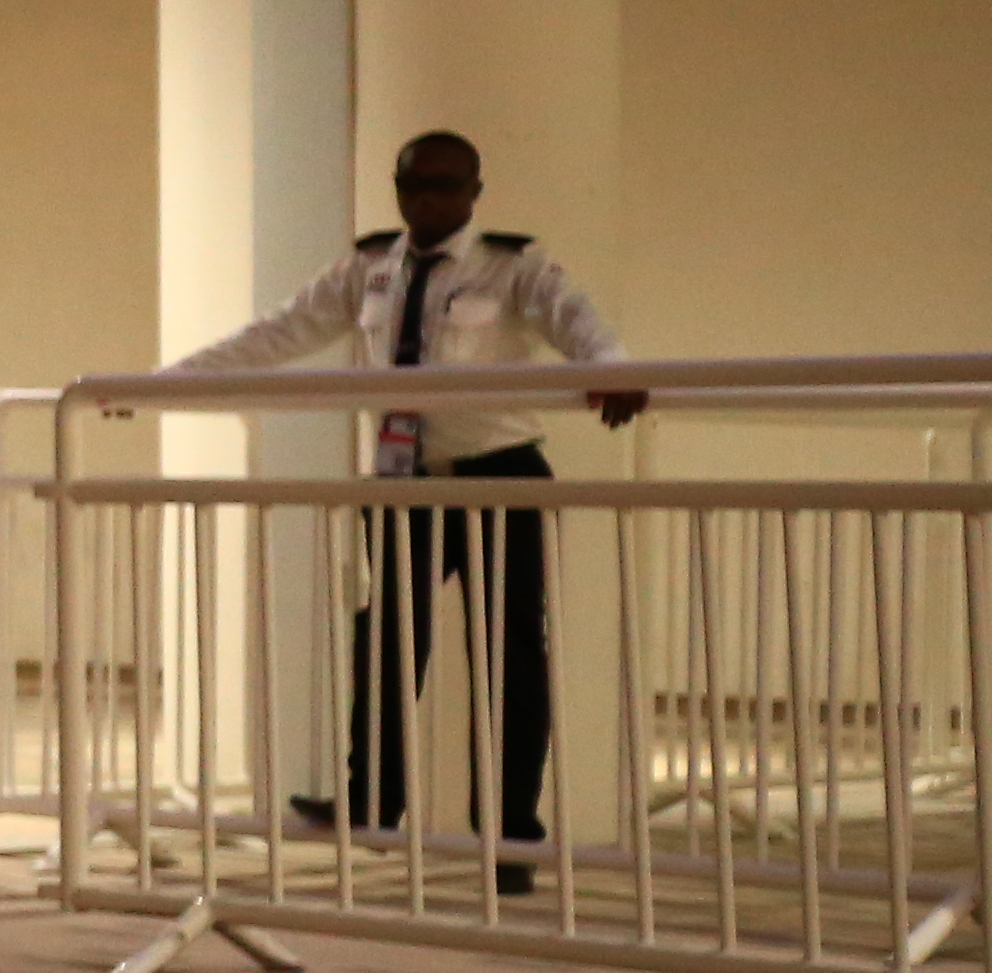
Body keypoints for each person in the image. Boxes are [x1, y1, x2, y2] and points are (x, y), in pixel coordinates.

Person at [165, 130, 638, 885]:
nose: (430, 202)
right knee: (384, 637)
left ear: (475, 192)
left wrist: (612, 371)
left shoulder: (512, 265)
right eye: (415, 187)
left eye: (447, 188)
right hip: (402, 475)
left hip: (500, 474)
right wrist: (172, 382)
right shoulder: (368, 267)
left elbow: (576, 320)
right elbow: (281, 331)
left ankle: (511, 838)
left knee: (510, 657)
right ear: (397, 189)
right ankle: (372, 801)